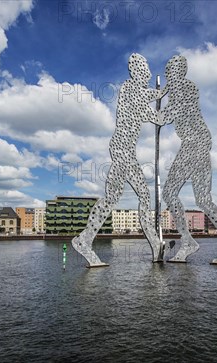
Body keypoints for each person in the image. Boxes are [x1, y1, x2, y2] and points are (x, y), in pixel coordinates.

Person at [71, 53, 166, 266]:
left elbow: (151, 97)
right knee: (138, 196)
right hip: (123, 151)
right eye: (145, 71)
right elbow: (156, 116)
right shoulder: (130, 89)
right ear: (136, 72)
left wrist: (162, 93)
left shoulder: (136, 92)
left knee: (118, 197)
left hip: (124, 151)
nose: (149, 74)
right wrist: (167, 99)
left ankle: (85, 239)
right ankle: (152, 241)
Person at [160, 55, 217, 265]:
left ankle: (188, 241)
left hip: (193, 144)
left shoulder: (184, 88)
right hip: (200, 143)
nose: (168, 78)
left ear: (178, 72)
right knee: (203, 200)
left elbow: (166, 116)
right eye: (167, 74)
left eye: (170, 73)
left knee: (169, 193)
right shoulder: (180, 89)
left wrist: (144, 111)